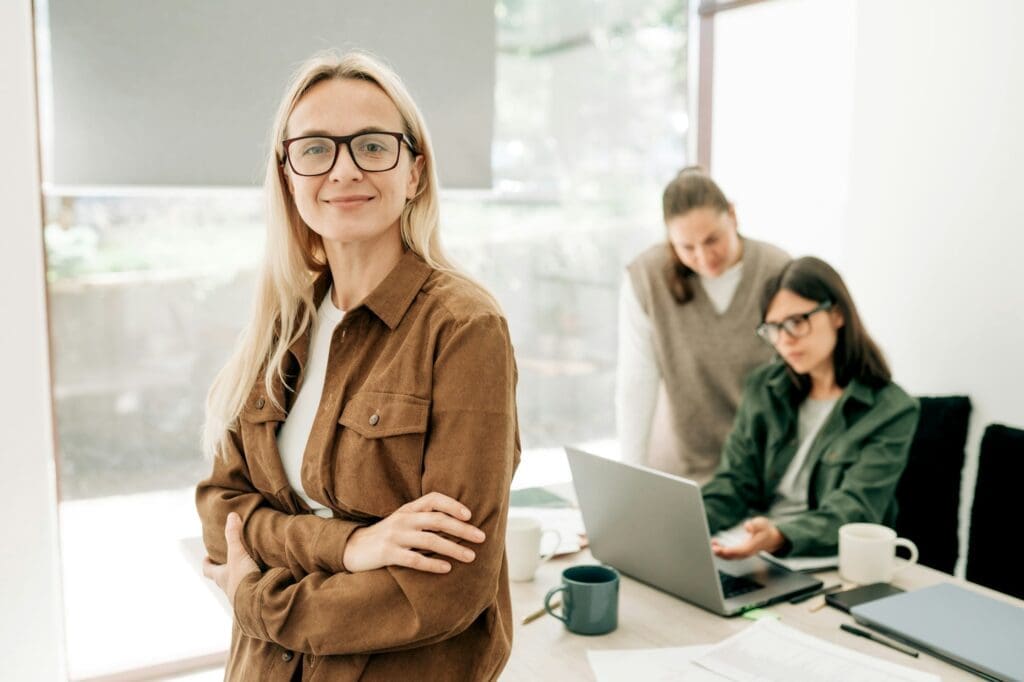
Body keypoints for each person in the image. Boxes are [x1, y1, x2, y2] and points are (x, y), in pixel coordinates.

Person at [195, 51, 519, 681]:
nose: (344, 169)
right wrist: (351, 546)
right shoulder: (280, 325)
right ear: (288, 175)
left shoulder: (464, 328)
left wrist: (255, 597)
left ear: (415, 172)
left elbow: (443, 588)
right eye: (315, 149)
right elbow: (221, 514)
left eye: (372, 145)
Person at [702, 257, 919, 559]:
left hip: (822, 557)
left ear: (837, 315)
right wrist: (686, 521)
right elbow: (735, 482)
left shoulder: (891, 410)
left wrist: (778, 536)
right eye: (774, 328)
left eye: (796, 322)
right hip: (752, 545)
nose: (785, 340)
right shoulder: (763, 387)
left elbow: (854, 511)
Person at [617, 167, 789, 482]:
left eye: (713, 239)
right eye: (687, 247)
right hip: (677, 470)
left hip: (759, 473)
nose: (705, 256)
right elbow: (636, 382)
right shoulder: (646, 277)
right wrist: (630, 478)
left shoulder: (777, 270)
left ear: (733, 216)